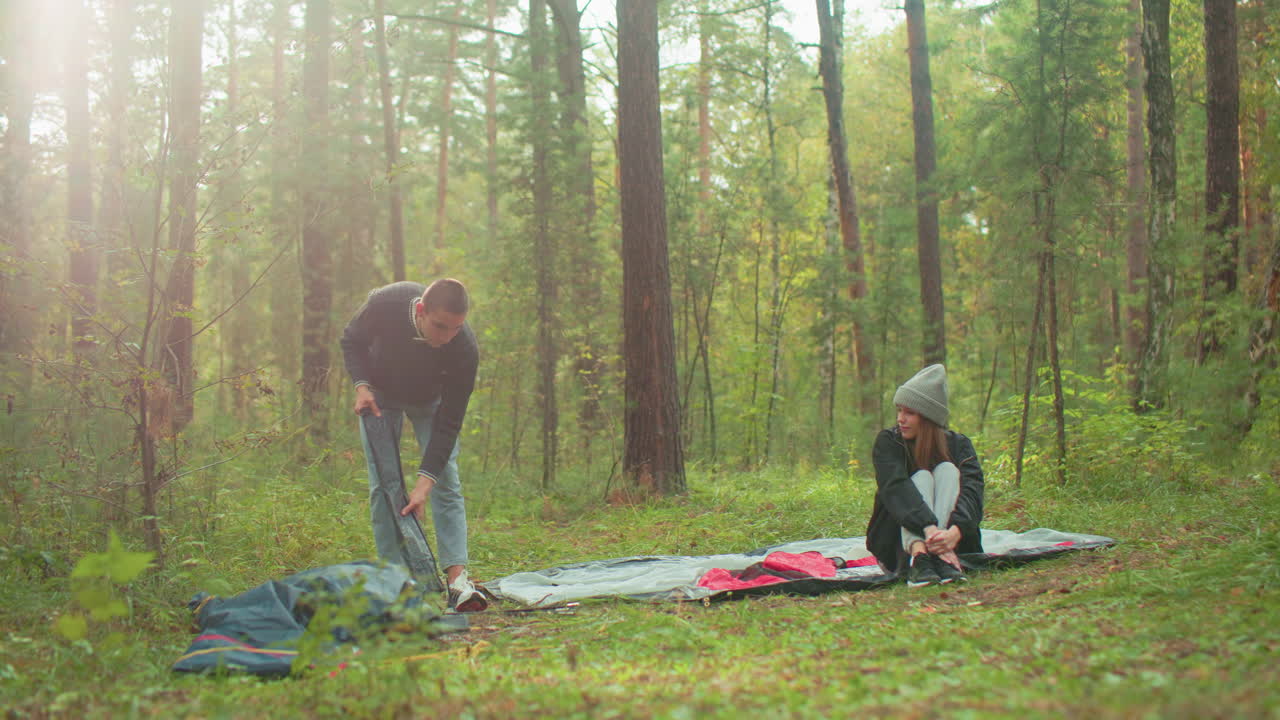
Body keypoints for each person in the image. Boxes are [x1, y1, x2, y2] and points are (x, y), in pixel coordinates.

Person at [339, 278, 487, 612]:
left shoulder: (463, 348)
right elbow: (351, 340)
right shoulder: (385, 304)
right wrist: (361, 385)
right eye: (439, 326)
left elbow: (450, 423)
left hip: (428, 401)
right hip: (380, 395)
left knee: (446, 480)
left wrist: (425, 482)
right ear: (421, 310)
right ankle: (396, 582)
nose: (446, 337)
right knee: (384, 485)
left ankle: (457, 584)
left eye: (455, 328)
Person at [866, 364, 985, 587]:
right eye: (899, 410)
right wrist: (929, 529)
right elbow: (895, 488)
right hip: (898, 545)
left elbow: (973, 492)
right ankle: (920, 557)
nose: (901, 418)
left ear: (929, 417)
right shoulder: (889, 442)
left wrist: (955, 532)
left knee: (948, 471)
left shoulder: (959, 446)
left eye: (909, 413)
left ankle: (938, 555)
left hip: (954, 543)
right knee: (921, 478)